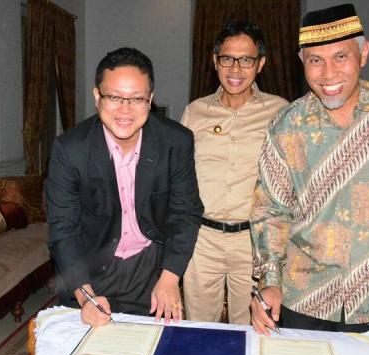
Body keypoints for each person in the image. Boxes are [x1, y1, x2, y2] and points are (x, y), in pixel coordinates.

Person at [249, 3, 369, 337]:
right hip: (301, 297)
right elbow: (272, 210)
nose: (328, 74)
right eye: (315, 60)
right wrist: (269, 281)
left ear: (364, 54)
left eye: (341, 57)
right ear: (302, 62)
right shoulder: (286, 124)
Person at [47, 47, 203, 327]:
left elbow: (185, 213)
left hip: (150, 267)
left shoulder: (175, 142)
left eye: (137, 99)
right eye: (115, 97)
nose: (125, 110)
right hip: (90, 267)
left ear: (150, 100)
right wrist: (85, 295)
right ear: (97, 97)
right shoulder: (70, 149)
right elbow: (63, 229)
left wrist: (170, 277)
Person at [181, 21, 288, 324]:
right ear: (215, 61)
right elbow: (180, 176)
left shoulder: (280, 112)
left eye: (247, 60)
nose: (236, 69)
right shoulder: (195, 112)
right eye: (227, 58)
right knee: (199, 329)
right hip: (203, 240)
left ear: (261, 64)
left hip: (253, 242)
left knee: (253, 331)